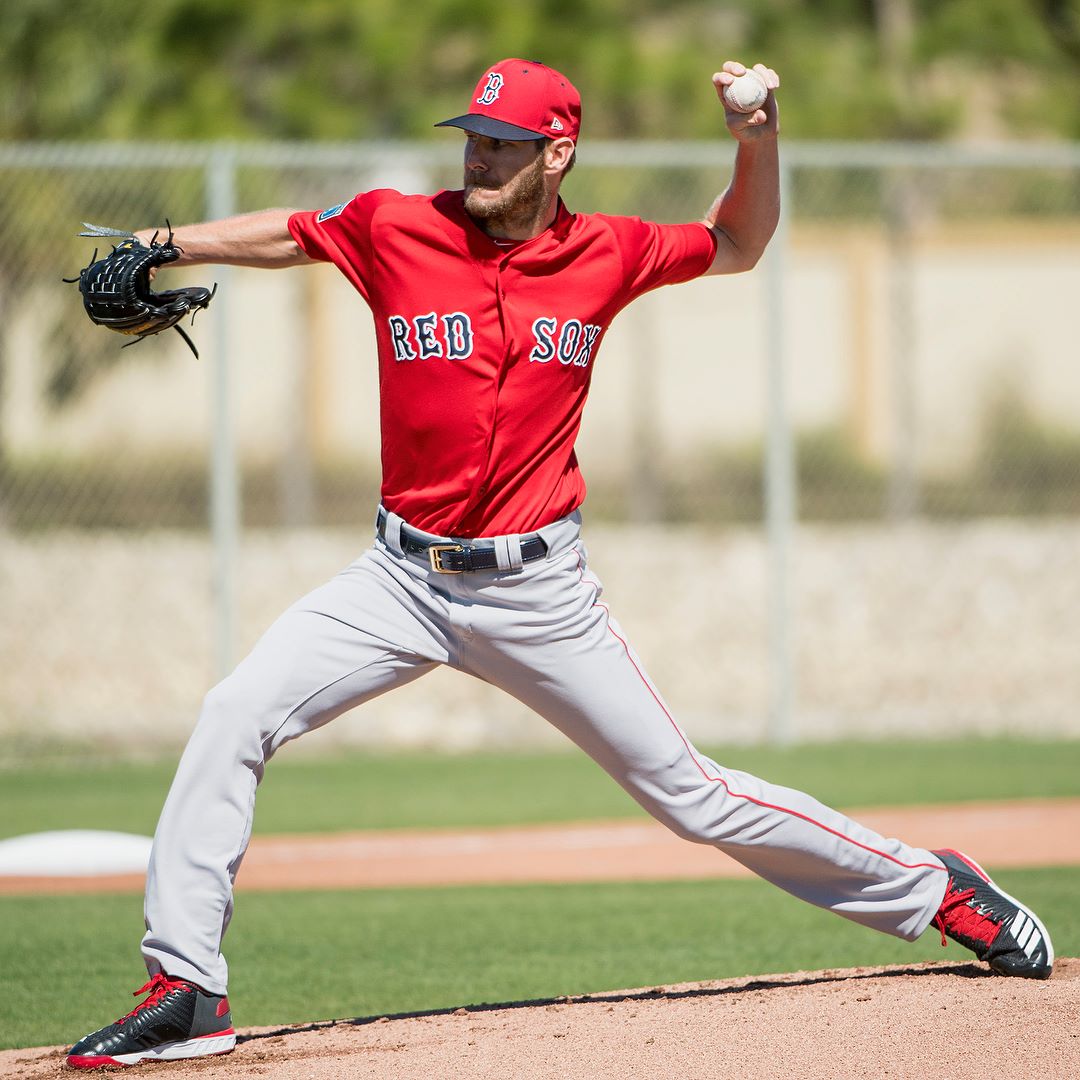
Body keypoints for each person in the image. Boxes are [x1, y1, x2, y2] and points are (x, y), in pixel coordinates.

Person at [67, 58, 1053, 1070]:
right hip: (398, 580)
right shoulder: (397, 227)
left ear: (558, 151)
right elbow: (292, 230)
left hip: (538, 593)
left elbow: (742, 242)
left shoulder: (607, 252)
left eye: (499, 141)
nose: (477, 155)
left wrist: (755, 138)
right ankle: (186, 988)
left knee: (693, 797)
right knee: (236, 712)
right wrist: (162, 241)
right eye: (471, 136)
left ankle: (941, 890)